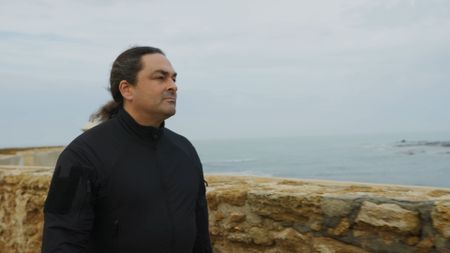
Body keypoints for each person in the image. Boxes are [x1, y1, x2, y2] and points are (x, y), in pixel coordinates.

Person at [41, 46, 212, 253]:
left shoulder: (184, 150)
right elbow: (61, 241)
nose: (173, 86)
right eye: (161, 78)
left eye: (174, 79)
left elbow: (200, 234)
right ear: (127, 89)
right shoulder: (82, 155)